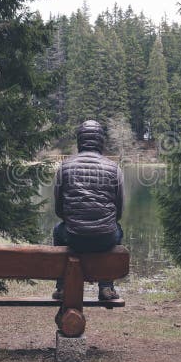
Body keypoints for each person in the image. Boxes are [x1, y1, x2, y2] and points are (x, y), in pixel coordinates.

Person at [52, 120, 123, 301]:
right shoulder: (114, 168)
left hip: (73, 238)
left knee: (58, 231)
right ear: (101, 141)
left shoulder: (64, 167)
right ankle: (106, 286)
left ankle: (61, 287)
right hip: (105, 239)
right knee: (117, 230)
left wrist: (75, 221)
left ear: (79, 141)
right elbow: (119, 211)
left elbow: (59, 210)